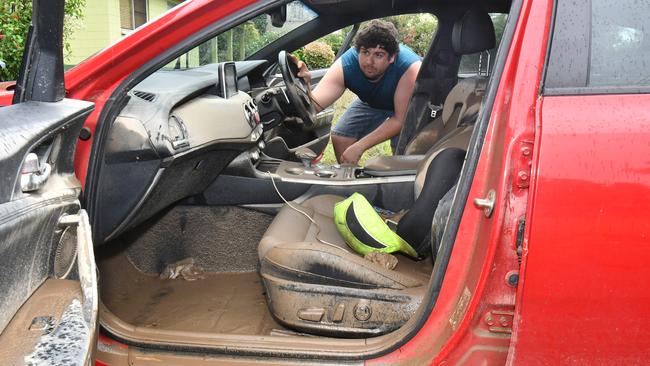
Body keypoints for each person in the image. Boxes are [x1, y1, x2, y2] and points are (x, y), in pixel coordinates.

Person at [293, 19, 421, 164]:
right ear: (358, 50)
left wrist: (360, 146)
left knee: (403, 151)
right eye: (365, 52)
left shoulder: (409, 67)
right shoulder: (346, 65)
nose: (369, 61)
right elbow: (314, 105)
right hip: (374, 102)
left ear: (391, 57)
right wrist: (304, 84)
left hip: (407, 106)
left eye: (379, 55)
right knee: (341, 137)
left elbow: (399, 120)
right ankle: (351, 182)